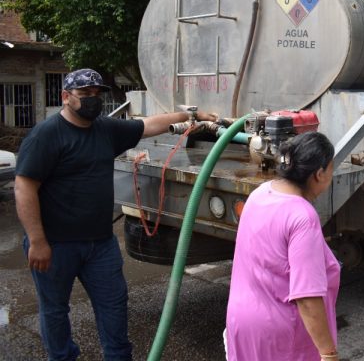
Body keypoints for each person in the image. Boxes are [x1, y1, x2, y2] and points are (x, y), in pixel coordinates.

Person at [14, 68, 218, 360]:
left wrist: (186, 117)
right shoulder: (47, 135)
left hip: (100, 244)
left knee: (113, 304)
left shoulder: (105, 129)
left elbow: (147, 125)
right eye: (85, 95)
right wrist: (37, 241)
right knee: (55, 310)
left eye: (97, 95)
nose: (92, 101)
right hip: (55, 244)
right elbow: (24, 187)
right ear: (66, 97)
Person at [225, 132, 340, 361]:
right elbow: (307, 299)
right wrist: (329, 354)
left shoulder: (260, 193)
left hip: (241, 323)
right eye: (330, 169)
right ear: (318, 174)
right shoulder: (302, 217)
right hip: (280, 338)